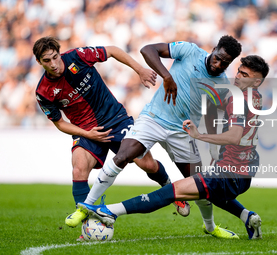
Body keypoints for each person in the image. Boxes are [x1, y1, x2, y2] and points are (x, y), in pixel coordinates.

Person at [68, 35, 243, 238]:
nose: (218, 64)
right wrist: (166, 77)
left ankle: (210, 227)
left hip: (181, 131)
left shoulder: (221, 83)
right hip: (153, 119)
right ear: (213, 49)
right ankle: (86, 206)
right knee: (122, 156)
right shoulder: (189, 51)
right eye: (218, 58)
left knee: (198, 181)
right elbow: (147, 50)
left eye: (225, 63)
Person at [33, 37, 171, 231]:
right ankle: (86, 227)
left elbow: (113, 49)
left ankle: (168, 187)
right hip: (87, 130)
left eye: (55, 57)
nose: (53, 64)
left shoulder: (78, 56)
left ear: (59, 52)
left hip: (116, 119)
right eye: (47, 61)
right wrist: (87, 134)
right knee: (78, 169)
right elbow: (60, 123)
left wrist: (139, 69)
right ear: (39, 62)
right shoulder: (44, 91)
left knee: (146, 163)